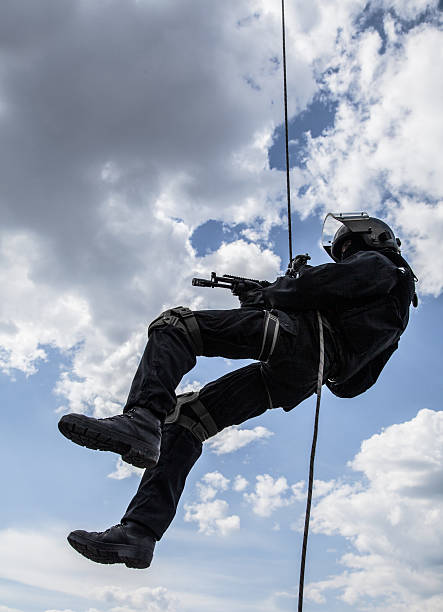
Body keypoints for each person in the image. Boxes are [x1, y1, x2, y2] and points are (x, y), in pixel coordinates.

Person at [58, 212, 417, 569]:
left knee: (177, 326)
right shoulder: (397, 309)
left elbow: (314, 287)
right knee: (188, 419)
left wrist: (271, 293)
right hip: (301, 378)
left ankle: (142, 418)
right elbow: (353, 385)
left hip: (296, 338)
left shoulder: (379, 265)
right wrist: (273, 302)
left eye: (348, 248)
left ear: (370, 239)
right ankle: (139, 533)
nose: (346, 256)